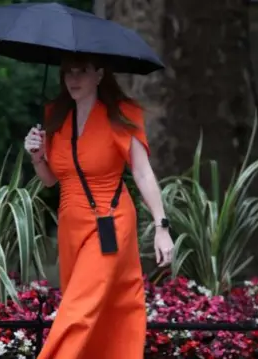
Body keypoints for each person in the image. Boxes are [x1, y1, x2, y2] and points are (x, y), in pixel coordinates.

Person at [23, 53, 174, 359]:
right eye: (68, 73)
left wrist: (161, 226)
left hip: (111, 221)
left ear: (100, 75)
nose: (73, 79)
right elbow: (52, 179)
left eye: (82, 71)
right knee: (94, 310)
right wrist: (37, 158)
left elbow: (142, 172)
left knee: (78, 310)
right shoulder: (56, 116)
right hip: (71, 224)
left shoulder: (121, 114)